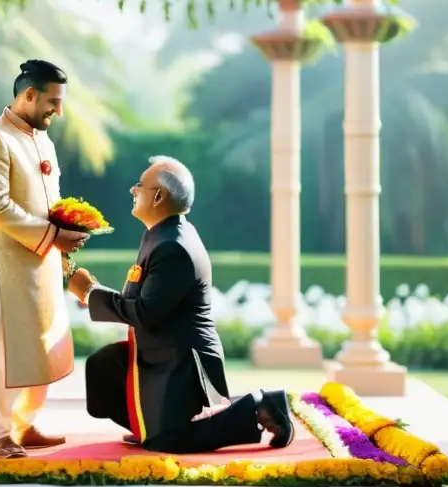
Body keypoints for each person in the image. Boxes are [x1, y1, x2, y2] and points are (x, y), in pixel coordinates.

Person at [67, 156, 295, 454]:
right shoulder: (162, 233)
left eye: (139, 185)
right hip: (159, 351)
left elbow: (144, 313)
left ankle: (262, 405)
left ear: (159, 195)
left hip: (182, 360)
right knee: (103, 369)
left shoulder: (172, 246)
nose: (132, 191)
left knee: (169, 442)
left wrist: (90, 293)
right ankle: (150, 427)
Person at [0, 59, 89, 459]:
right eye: (53, 101)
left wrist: (68, 231)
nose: (58, 111)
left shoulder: (42, 141)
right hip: (2, 267)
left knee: (42, 347)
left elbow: (48, 203)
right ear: (28, 94)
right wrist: (54, 235)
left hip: (43, 263)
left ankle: (24, 424)